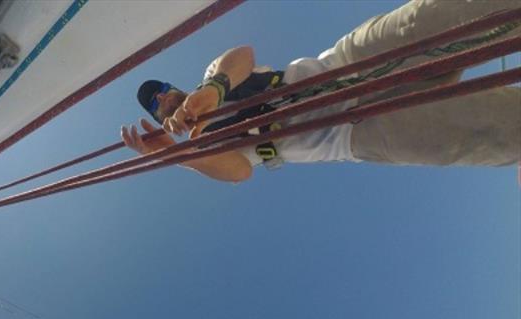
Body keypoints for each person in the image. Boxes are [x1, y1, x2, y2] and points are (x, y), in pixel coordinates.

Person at [121, 0, 521, 183]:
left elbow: (240, 56)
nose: (161, 99)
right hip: (356, 131)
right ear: (162, 120)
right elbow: (239, 171)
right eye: (155, 106)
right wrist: (172, 154)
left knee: (463, 14)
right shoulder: (204, 147)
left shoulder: (213, 76)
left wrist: (213, 90)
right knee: (497, 132)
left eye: (162, 91)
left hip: (350, 60)